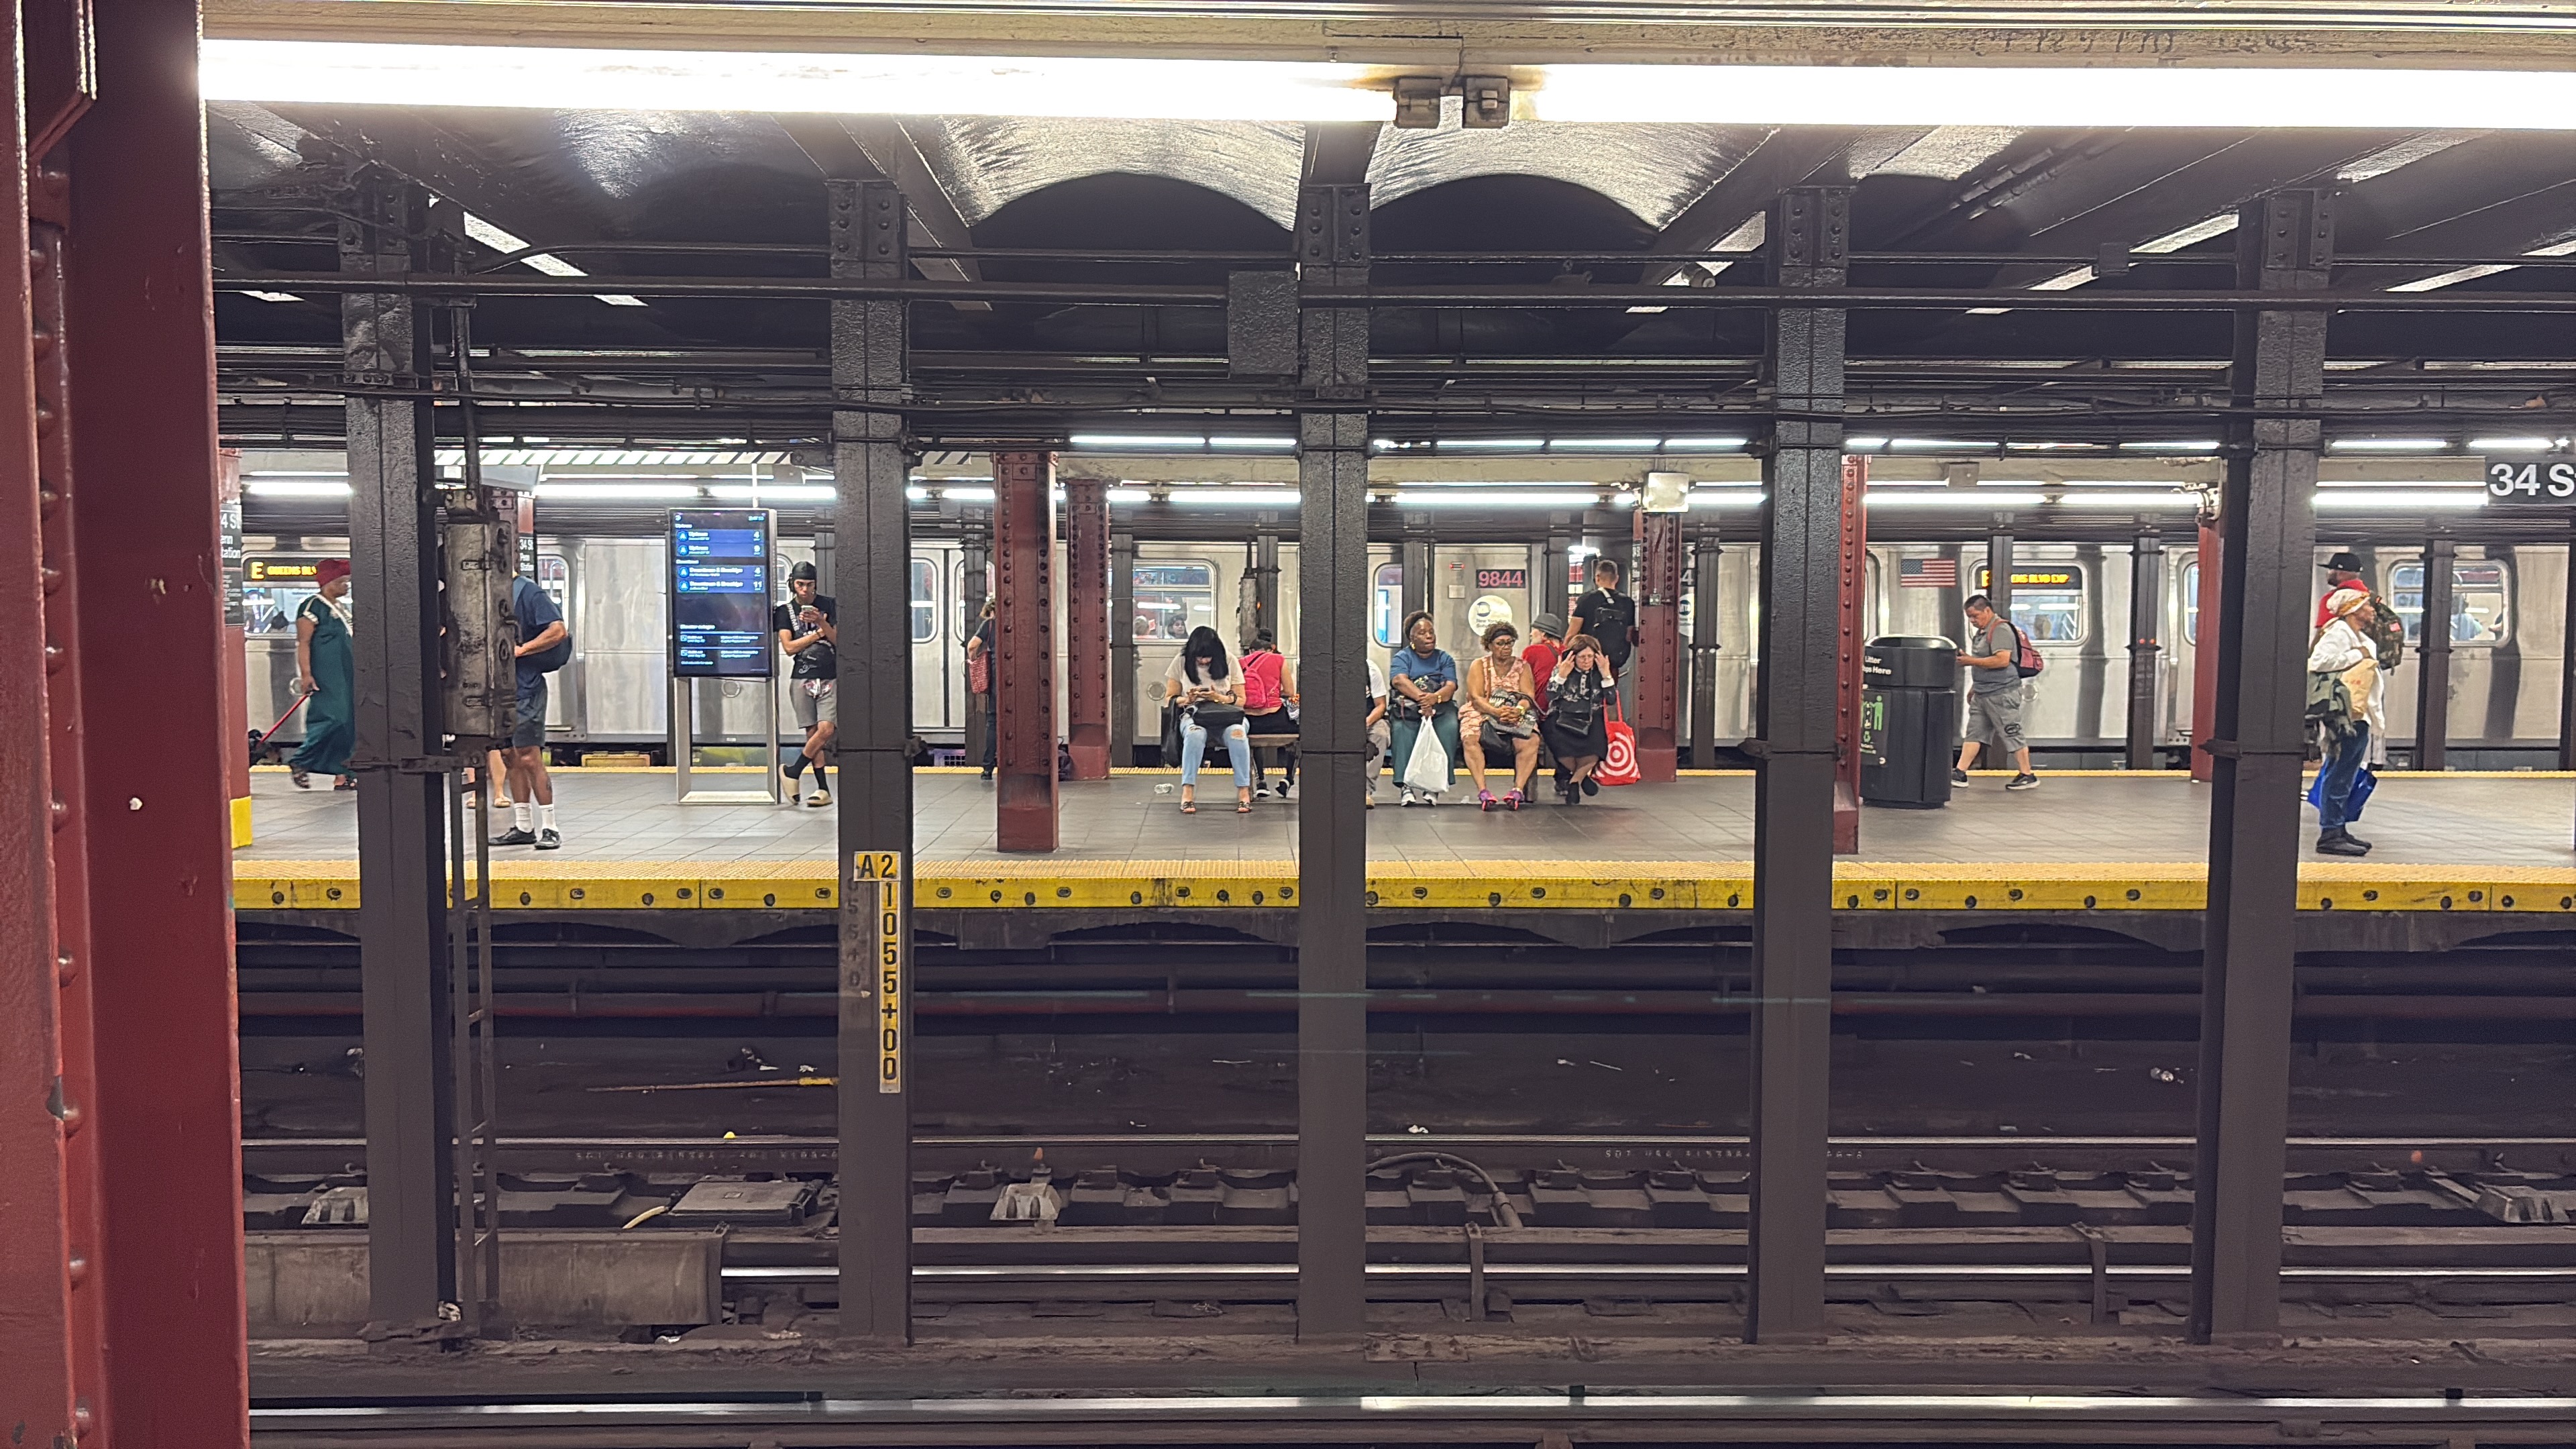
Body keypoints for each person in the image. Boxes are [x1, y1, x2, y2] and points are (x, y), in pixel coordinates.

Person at [494, 570, 568, 849]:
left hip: (525, 687)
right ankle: (524, 826)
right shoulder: (491, 593)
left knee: (528, 756)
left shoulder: (528, 592)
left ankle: (550, 827)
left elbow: (558, 630)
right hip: (499, 687)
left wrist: (523, 650)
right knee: (509, 755)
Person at [2309, 586, 2384, 857]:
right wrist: (2358, 655)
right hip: (2345, 714)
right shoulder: (2340, 633)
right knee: (2339, 773)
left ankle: (2338, 829)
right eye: (2366, 605)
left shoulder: (2355, 634)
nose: (2372, 610)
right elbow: (2318, 661)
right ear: (2353, 609)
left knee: (2344, 772)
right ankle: (2329, 833)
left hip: (2356, 713)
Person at [1951, 593, 2039, 792]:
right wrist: (1975, 687)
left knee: (2011, 732)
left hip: (2002, 693)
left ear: (1987, 610)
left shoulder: (2000, 630)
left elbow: (2002, 660)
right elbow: (1984, 664)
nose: (1973, 622)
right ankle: (1960, 772)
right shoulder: (1982, 632)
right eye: (1970, 618)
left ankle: (2028, 774)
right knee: (1974, 733)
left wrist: (1970, 661)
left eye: (1975, 616)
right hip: (1983, 693)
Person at [287, 558, 356, 791]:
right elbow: (304, 642)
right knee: (332, 718)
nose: (347, 586)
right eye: (343, 582)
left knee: (349, 722)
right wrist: (306, 674)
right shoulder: (312, 607)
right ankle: (301, 760)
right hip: (327, 674)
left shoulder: (343, 608)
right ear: (330, 583)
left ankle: (343, 773)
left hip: (347, 674)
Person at [1166, 625, 1252, 814]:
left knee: (1238, 735)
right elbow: (1169, 698)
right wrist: (1187, 699)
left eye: (1208, 657)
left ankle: (1244, 792)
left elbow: (1242, 701)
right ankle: (1187, 792)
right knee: (1195, 735)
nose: (1204, 661)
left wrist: (1218, 698)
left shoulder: (1230, 661)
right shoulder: (1181, 662)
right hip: (1195, 715)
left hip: (1227, 716)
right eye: (1199, 657)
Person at [773, 561, 837, 808]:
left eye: (809, 585)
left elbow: (838, 639)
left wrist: (821, 622)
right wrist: (818, 634)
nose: (805, 590)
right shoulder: (784, 611)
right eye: (800, 584)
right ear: (792, 584)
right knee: (812, 733)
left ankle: (794, 770)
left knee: (826, 730)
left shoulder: (829, 605)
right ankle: (823, 789)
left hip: (829, 675)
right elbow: (789, 648)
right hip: (801, 676)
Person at [1463, 622, 1541, 810]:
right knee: (1470, 738)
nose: (1506, 648)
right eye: (1500, 643)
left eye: (1509, 643)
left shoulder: (1522, 666)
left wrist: (1518, 711)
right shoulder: (1479, 666)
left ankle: (1517, 790)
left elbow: (1528, 696)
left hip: (1514, 711)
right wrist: (1496, 712)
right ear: (1489, 645)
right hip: (1485, 710)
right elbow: (1476, 698)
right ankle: (1483, 790)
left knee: (1530, 740)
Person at [1387, 610, 1461, 807]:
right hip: (1410, 708)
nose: (1429, 636)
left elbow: (1451, 686)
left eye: (1431, 632)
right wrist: (1423, 700)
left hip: (1441, 708)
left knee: (1449, 727)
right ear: (1412, 638)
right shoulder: (1403, 658)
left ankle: (1435, 785)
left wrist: (1434, 699)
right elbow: (1399, 680)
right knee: (1401, 730)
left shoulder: (1444, 658)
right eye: (1423, 633)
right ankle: (1406, 786)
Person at [1541, 633, 1617, 804]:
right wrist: (1561, 676)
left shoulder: (1600, 672)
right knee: (1555, 739)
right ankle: (1582, 777)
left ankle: (1575, 782)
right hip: (1564, 717)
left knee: (1596, 747)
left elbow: (1611, 699)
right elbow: (1551, 696)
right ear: (1573, 656)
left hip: (1591, 717)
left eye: (1590, 656)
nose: (1586, 661)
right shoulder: (1563, 668)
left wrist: (1606, 675)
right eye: (1582, 657)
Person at [2316, 550, 2407, 670]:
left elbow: (2322, 634)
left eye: (2330, 570)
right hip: (2368, 665)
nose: (2328, 574)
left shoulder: (2334, 600)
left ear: (2340, 573)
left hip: (2344, 666)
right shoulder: (2369, 597)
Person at [1570, 559, 1639, 708]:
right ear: (1617, 579)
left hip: (1588, 662)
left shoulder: (1587, 599)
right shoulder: (1628, 603)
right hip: (1613, 663)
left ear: (1597, 578)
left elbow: (1572, 633)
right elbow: (1629, 635)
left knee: (1584, 700)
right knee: (1608, 701)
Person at [1240, 629, 1299, 800]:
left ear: (1251, 651)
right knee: (1297, 726)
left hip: (1251, 722)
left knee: (1253, 738)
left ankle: (1261, 782)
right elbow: (1289, 691)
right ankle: (1288, 778)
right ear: (1270, 649)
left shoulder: (1240, 663)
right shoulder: (1278, 659)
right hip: (1276, 720)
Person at [965, 598, 998, 781]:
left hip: (996, 680)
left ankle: (987, 769)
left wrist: (974, 659)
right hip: (1016, 678)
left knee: (993, 721)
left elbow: (972, 645)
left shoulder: (989, 625)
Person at [1523, 612, 1565, 716]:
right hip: (1561, 713)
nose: (1531, 634)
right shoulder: (1567, 652)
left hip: (1538, 711)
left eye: (1534, 630)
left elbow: (1521, 679)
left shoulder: (1532, 651)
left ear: (1543, 634)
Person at [1364, 656, 1391, 810]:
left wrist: (1366, 723)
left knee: (1380, 734)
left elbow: (1381, 705)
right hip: (1336, 721)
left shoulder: (1371, 669)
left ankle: (1365, 789)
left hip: (1368, 718)